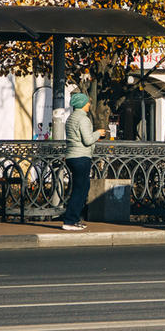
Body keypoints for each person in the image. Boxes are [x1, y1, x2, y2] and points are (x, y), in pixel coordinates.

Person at [63, 91, 106, 230]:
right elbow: (87, 141)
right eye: (87, 102)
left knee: (79, 188)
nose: (89, 104)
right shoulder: (83, 119)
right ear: (82, 104)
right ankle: (70, 220)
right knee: (80, 189)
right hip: (81, 157)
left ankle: (72, 219)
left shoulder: (70, 118)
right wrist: (98, 133)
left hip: (71, 156)